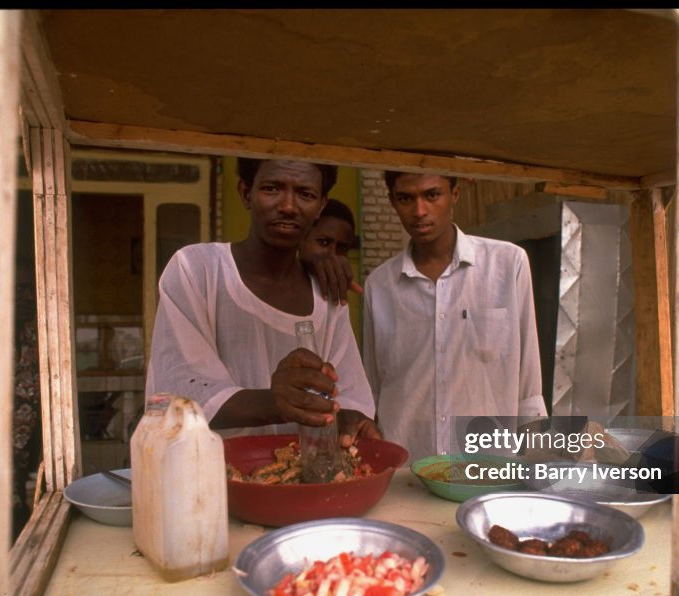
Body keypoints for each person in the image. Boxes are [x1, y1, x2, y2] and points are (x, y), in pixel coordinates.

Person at [145, 158, 378, 446]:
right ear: (246, 193)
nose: (288, 206)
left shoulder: (327, 294)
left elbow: (351, 396)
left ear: (320, 206)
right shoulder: (198, 270)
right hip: (209, 479)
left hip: (302, 482)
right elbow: (176, 395)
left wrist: (350, 421)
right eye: (271, 189)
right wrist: (274, 402)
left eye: (305, 195)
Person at [362, 171, 547, 461]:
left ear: (455, 194)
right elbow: (373, 387)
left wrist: (533, 457)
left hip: (488, 464)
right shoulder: (380, 285)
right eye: (406, 198)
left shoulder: (507, 265)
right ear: (392, 202)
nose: (420, 211)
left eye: (432, 195)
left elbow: (528, 379)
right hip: (407, 464)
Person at [302, 198, 363, 306]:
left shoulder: (336, 293)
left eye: (342, 248)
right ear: (302, 239)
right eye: (324, 242)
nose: (332, 254)